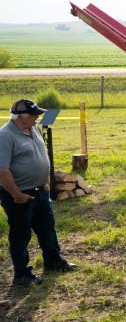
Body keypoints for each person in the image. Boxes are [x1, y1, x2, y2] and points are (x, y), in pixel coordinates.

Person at [0, 99, 76, 287]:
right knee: (21, 234)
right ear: (20, 117)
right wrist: (17, 195)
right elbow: (2, 171)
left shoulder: (33, 128)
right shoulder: (5, 136)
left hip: (40, 191)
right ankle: (21, 274)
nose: (38, 118)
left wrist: (47, 181)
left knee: (47, 228)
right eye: (35, 115)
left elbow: (42, 155)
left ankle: (53, 260)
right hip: (19, 195)